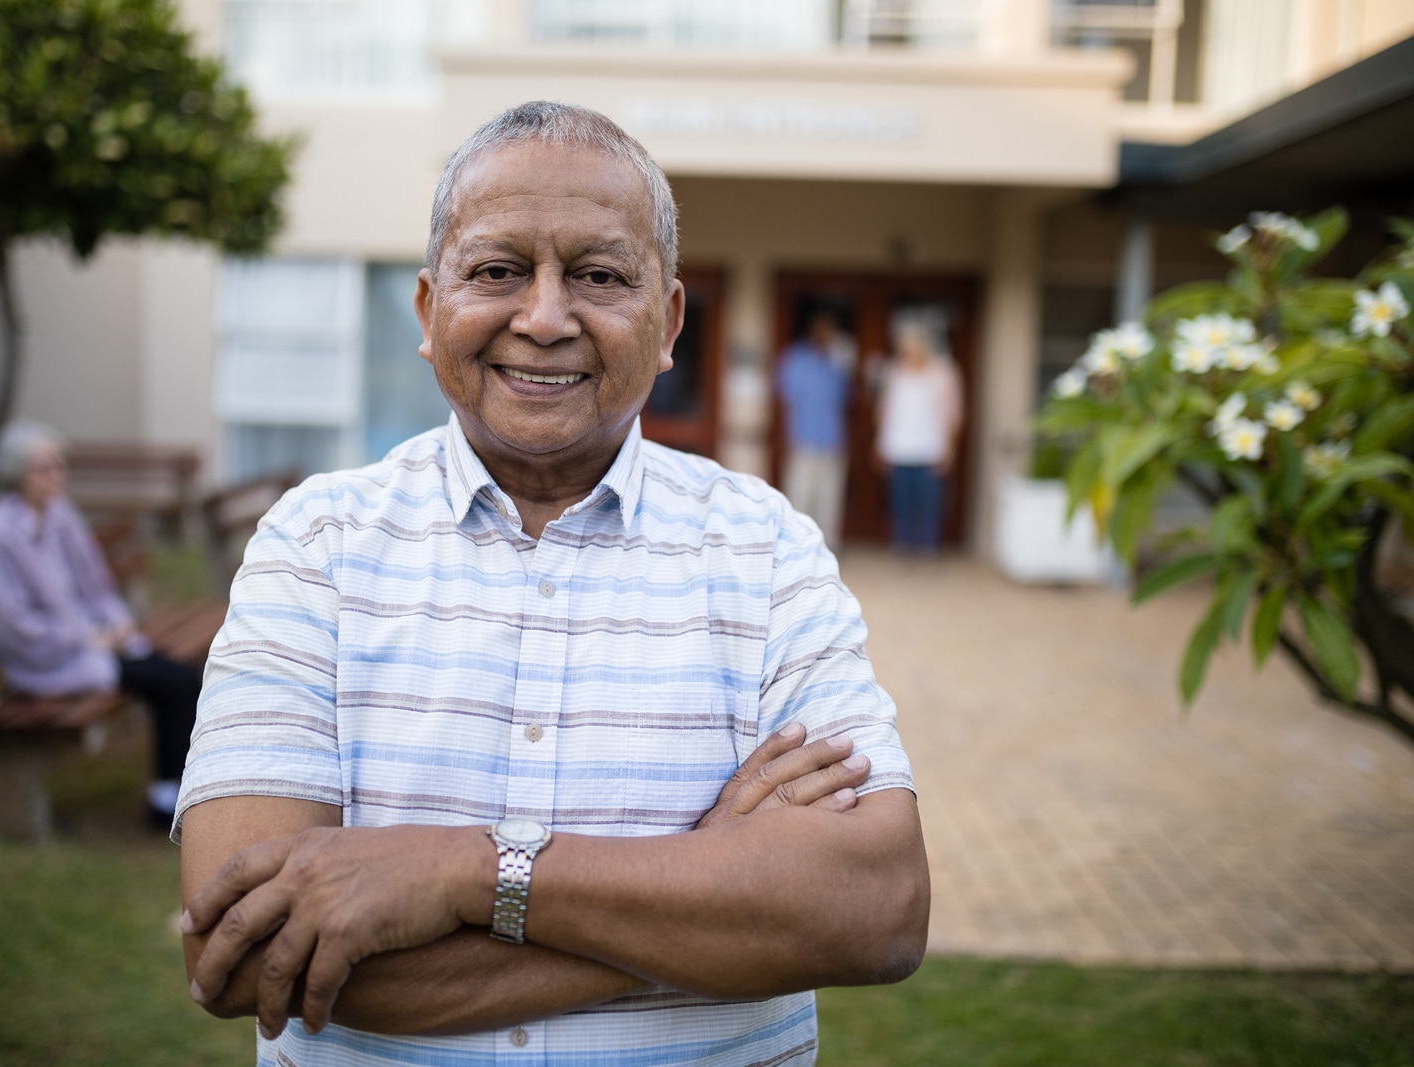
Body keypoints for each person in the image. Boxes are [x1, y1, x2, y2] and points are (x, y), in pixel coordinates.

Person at [176, 101, 928, 1066]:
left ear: (668, 320)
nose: (542, 317)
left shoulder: (766, 550)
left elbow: (878, 908)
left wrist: (466, 873)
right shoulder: (315, 545)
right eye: (496, 271)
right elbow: (241, 952)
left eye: (599, 275)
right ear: (426, 310)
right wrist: (710, 896)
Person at [0, 420, 200, 823]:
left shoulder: (59, 515)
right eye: (43, 467)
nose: (56, 475)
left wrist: (117, 624)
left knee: (180, 675)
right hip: (46, 660)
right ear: (14, 472)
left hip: (94, 642)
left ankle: (173, 791)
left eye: (59, 465)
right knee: (175, 683)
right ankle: (165, 804)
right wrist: (88, 639)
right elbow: (13, 625)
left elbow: (96, 586)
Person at [873, 319, 963, 554]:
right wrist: (880, 446)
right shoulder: (894, 373)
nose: (908, 352)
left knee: (928, 504)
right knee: (901, 502)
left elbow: (953, 414)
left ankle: (926, 549)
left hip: (930, 450)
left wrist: (949, 448)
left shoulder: (943, 373)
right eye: (905, 348)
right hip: (899, 449)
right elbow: (885, 412)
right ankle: (902, 547)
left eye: (913, 347)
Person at [775, 309, 853, 550]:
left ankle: (827, 550)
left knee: (829, 501)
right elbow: (784, 395)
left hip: (832, 442)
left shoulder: (839, 361)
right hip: (802, 440)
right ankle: (797, 548)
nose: (826, 334)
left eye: (831, 331)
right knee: (800, 497)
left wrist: (842, 362)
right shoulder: (795, 358)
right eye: (823, 329)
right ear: (813, 330)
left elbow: (847, 398)